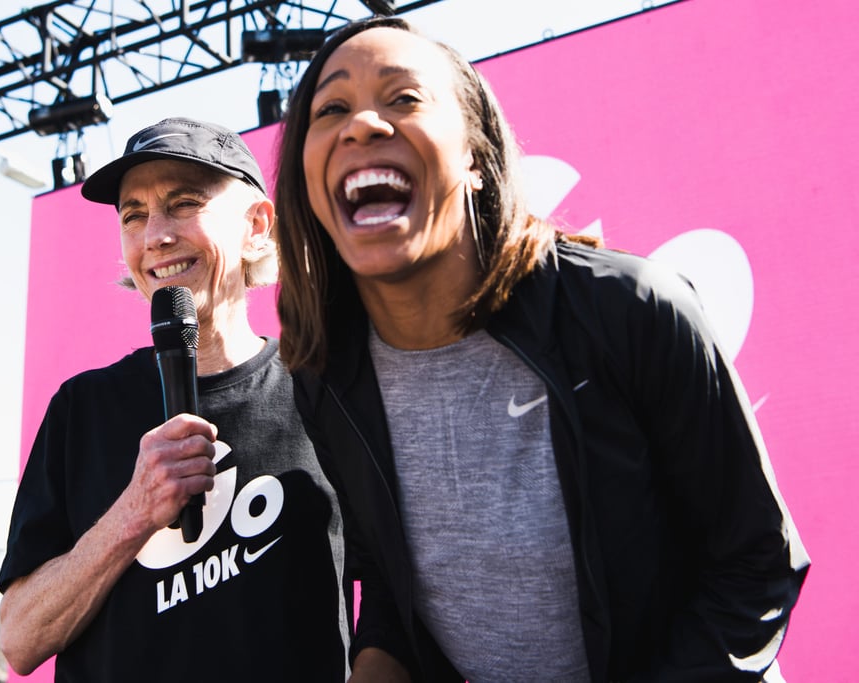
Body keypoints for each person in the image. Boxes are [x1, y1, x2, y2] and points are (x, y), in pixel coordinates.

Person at [272, 16, 809, 683]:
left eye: (403, 98)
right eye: (332, 108)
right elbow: (392, 589)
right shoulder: (325, 379)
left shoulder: (631, 309)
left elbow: (754, 564)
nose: (362, 125)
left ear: (475, 156)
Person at [0, 117, 352, 681]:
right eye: (133, 215)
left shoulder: (328, 393)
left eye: (183, 203)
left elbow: (398, 601)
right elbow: (19, 639)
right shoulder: (81, 408)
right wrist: (135, 512)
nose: (154, 235)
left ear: (257, 226)